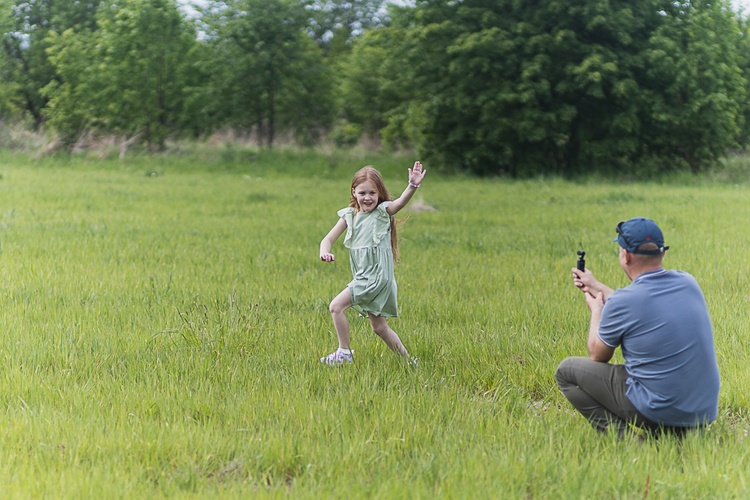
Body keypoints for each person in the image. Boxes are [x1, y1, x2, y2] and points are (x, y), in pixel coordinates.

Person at [556, 217, 720, 438]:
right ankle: (676, 437)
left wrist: (597, 311)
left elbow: (598, 354)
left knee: (566, 371)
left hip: (660, 411)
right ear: (662, 253)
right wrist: (596, 286)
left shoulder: (623, 302)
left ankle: (630, 444)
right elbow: (644, 304)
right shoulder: (688, 282)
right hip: (702, 413)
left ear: (626, 255)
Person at [318, 162, 426, 365]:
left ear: (379, 194)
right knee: (379, 328)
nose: (367, 198)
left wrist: (412, 186)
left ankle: (344, 353)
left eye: (372, 193)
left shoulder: (382, 212)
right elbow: (327, 239)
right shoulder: (350, 215)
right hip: (365, 277)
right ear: (354, 192)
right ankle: (409, 362)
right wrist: (325, 252)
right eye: (362, 192)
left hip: (375, 277)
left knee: (336, 306)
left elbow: (400, 203)